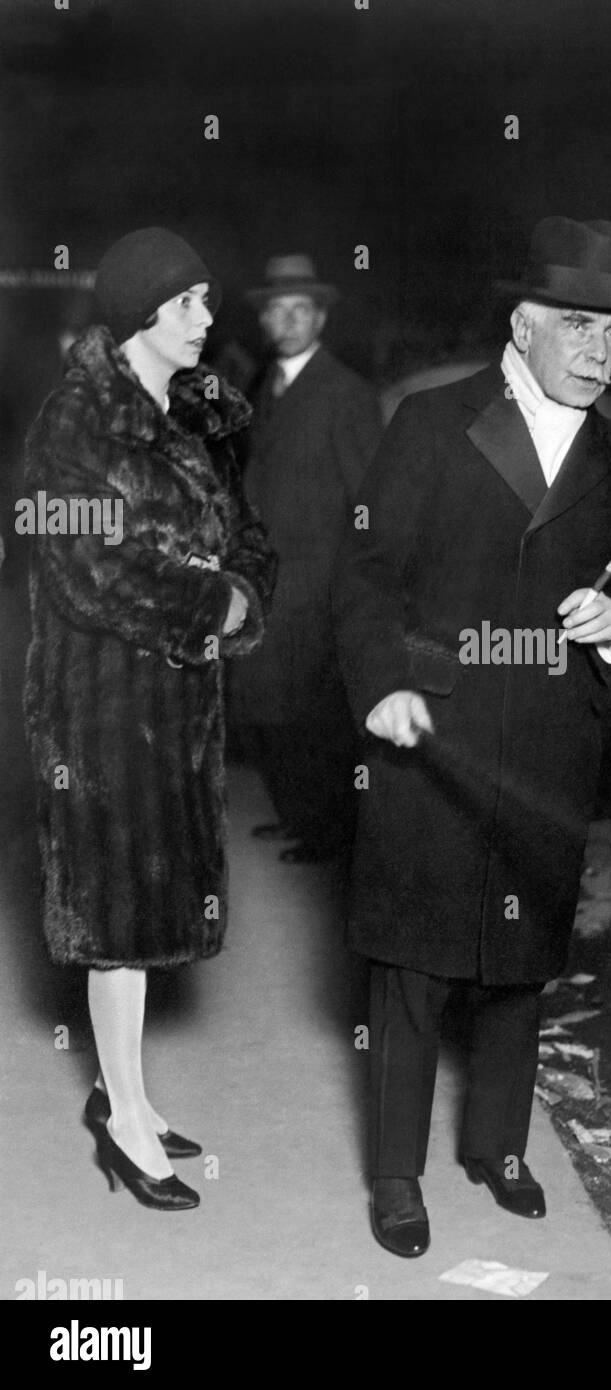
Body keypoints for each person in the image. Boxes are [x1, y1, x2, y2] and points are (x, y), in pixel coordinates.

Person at [332, 217, 611, 1256]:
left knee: (520, 958)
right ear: (521, 325)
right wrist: (380, 681)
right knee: (414, 961)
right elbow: (366, 577)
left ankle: (499, 1146)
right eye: (576, 326)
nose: (598, 351)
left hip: (549, 733)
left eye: (610, 333)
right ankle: (395, 1173)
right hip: (434, 725)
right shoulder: (430, 423)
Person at [23, 227, 276, 1211]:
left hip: (178, 704)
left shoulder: (196, 407)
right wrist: (207, 605)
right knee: (117, 916)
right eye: (190, 304)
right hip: (98, 705)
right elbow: (82, 566)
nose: (209, 320)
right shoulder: (75, 421)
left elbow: (242, 525)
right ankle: (125, 1121)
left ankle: (121, 1088)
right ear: (143, 315)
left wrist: (247, 587)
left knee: (152, 901)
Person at [232, 254, 382, 864]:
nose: (288, 320)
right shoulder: (263, 387)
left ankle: (329, 831)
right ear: (264, 320)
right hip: (269, 582)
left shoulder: (344, 392)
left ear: (320, 317)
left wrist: (351, 587)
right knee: (272, 708)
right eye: (277, 310)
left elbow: (368, 497)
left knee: (316, 717)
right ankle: (298, 816)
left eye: (301, 309)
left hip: (316, 586)